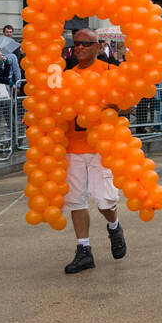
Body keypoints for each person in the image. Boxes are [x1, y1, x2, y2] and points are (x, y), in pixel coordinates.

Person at [62, 28, 129, 274]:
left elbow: (129, 105)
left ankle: (114, 226)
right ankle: (84, 249)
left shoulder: (110, 71)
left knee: (104, 201)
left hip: (102, 146)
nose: (79, 48)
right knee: (75, 201)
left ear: (98, 47)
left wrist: (111, 106)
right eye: (76, 44)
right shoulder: (66, 75)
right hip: (73, 147)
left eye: (85, 44)